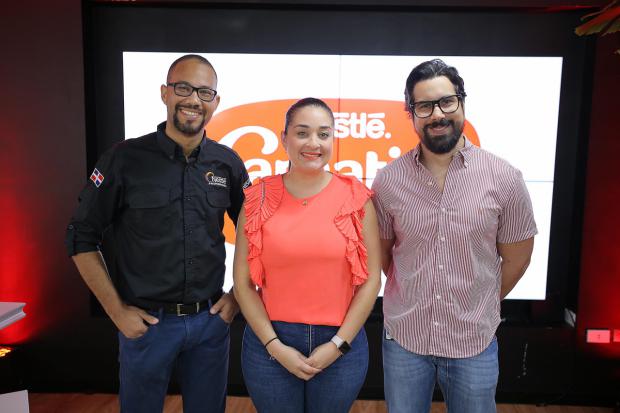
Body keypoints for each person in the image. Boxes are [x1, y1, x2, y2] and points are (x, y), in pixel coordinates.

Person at [65, 54, 250, 413]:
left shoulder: (227, 163)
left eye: (204, 92)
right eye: (183, 87)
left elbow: (258, 233)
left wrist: (239, 295)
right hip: (148, 326)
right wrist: (116, 310)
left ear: (215, 102)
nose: (193, 99)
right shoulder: (122, 159)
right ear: (165, 93)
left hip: (209, 323)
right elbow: (80, 235)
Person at [372, 59, 537, 413]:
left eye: (447, 102)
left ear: (462, 102)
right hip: (405, 339)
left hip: (473, 341)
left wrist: (477, 301)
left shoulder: (504, 177)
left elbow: (518, 258)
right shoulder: (388, 181)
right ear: (411, 113)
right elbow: (384, 256)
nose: (437, 115)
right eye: (424, 106)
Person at [232, 98, 381, 413]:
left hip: (341, 344)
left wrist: (338, 345)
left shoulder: (356, 198)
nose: (314, 143)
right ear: (284, 137)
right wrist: (275, 347)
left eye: (324, 134)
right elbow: (242, 284)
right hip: (269, 343)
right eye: (302, 133)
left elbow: (370, 282)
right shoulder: (256, 197)